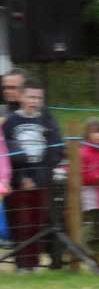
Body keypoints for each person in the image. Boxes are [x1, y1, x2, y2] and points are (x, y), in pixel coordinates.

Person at [2, 80, 63, 271]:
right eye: (31, 97)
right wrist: (22, 178)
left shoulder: (46, 121)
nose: (34, 101)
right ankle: (22, 264)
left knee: (38, 221)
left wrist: (40, 177)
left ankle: (34, 262)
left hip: (42, 179)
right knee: (22, 222)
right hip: (19, 181)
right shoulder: (10, 121)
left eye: (39, 98)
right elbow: (6, 152)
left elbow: (55, 149)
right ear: (21, 97)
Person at [79, 118, 99, 258]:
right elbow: (83, 176)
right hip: (91, 196)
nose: (98, 135)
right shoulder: (83, 153)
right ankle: (87, 253)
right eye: (94, 132)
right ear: (87, 134)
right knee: (92, 225)